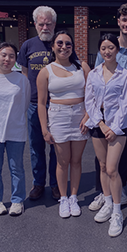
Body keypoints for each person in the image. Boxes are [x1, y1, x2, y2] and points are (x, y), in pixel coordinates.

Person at [89, 3, 127, 211]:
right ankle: (104, 192)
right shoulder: (107, 47)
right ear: (118, 21)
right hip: (105, 111)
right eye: (124, 20)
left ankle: (122, 187)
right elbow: (95, 83)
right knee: (101, 156)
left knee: (125, 151)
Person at [37, 31, 91, 218]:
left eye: (68, 44)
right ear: (52, 46)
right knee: (62, 161)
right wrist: (45, 128)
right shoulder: (46, 71)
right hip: (58, 117)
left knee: (76, 161)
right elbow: (42, 103)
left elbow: (91, 96)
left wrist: (87, 116)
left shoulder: (82, 66)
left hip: (79, 117)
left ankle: (74, 197)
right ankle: (63, 198)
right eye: (60, 43)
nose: (64, 47)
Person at [85, 33, 127, 237]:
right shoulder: (94, 73)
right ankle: (106, 200)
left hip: (118, 125)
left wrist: (112, 127)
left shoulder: (125, 75)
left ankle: (116, 212)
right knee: (102, 166)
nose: (107, 51)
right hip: (98, 123)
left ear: (117, 50)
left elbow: (125, 104)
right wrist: (101, 124)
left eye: (111, 47)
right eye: (103, 48)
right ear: (100, 50)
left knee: (113, 169)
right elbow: (89, 101)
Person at [0, 43, 30, 216]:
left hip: (15, 130)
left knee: (16, 168)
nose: (7, 59)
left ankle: (17, 200)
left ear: (15, 60)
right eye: (3, 55)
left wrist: (12, 119)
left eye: (11, 56)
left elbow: (24, 103)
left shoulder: (21, 80)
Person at [17, 6, 59, 201]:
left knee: (57, 147)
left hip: (58, 105)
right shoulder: (27, 45)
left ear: (54, 24)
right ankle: (38, 183)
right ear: (35, 24)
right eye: (41, 23)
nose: (45, 27)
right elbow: (24, 74)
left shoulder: (61, 44)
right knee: (36, 146)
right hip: (34, 104)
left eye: (48, 23)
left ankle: (56, 184)